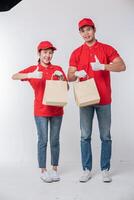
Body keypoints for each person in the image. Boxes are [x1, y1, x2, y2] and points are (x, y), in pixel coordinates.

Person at [68, 18, 126, 183]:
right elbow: (69, 76)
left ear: (94, 30)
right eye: (82, 30)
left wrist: (103, 66)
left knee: (105, 136)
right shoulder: (76, 53)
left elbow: (122, 66)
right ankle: (86, 169)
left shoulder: (106, 49)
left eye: (88, 29)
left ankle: (105, 169)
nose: (86, 33)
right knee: (85, 136)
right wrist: (76, 74)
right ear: (80, 33)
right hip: (85, 99)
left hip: (104, 99)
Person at [12, 41, 67, 183]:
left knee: (54, 140)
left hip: (56, 110)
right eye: (45, 52)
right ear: (39, 53)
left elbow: (66, 88)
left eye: (50, 53)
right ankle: (43, 170)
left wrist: (61, 78)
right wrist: (31, 75)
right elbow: (14, 76)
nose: (48, 55)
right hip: (40, 111)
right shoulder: (34, 69)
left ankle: (54, 169)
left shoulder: (58, 68)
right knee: (43, 140)